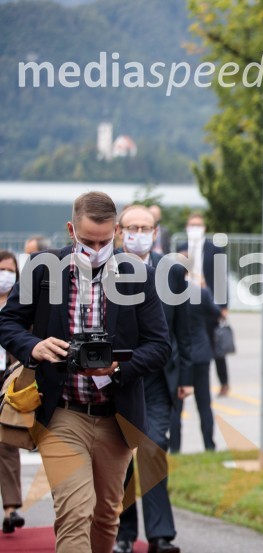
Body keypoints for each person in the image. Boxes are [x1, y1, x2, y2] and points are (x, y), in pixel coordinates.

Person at [0, 191, 171, 553]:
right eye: (88, 241)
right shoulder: (42, 267)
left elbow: (159, 346)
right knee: (75, 511)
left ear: (117, 235)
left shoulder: (138, 274)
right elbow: (8, 322)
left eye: (105, 241)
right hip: (61, 411)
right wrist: (33, 346)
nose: (97, 248)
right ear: (70, 230)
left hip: (116, 414)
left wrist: (119, 368)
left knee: (106, 514)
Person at [113, 205, 193, 553]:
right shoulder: (107, 268)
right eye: (133, 227)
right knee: (123, 457)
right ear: (119, 231)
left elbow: (184, 327)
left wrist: (186, 375)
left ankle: (160, 535)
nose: (139, 233)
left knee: (154, 449)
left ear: (156, 231)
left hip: (161, 378)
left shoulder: (172, 270)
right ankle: (124, 534)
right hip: (119, 377)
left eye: (146, 227)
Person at [169, 263, 219, 454]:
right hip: (200, 353)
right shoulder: (200, 293)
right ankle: (209, 445)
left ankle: (174, 447)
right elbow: (216, 314)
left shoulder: (170, 294)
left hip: (180, 356)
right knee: (204, 403)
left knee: (176, 405)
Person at [183, 213, 230, 396]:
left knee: (216, 343)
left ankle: (224, 381)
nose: (195, 228)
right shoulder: (181, 247)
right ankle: (188, 381)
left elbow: (221, 277)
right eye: (192, 224)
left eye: (198, 225)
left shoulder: (213, 249)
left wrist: (224, 305)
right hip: (186, 299)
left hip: (208, 300)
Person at [0, 250, 25, 534]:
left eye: (10, 270)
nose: (5, 275)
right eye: (1, 269)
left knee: (6, 441)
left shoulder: (19, 305)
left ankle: (11, 508)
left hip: (9, 378)